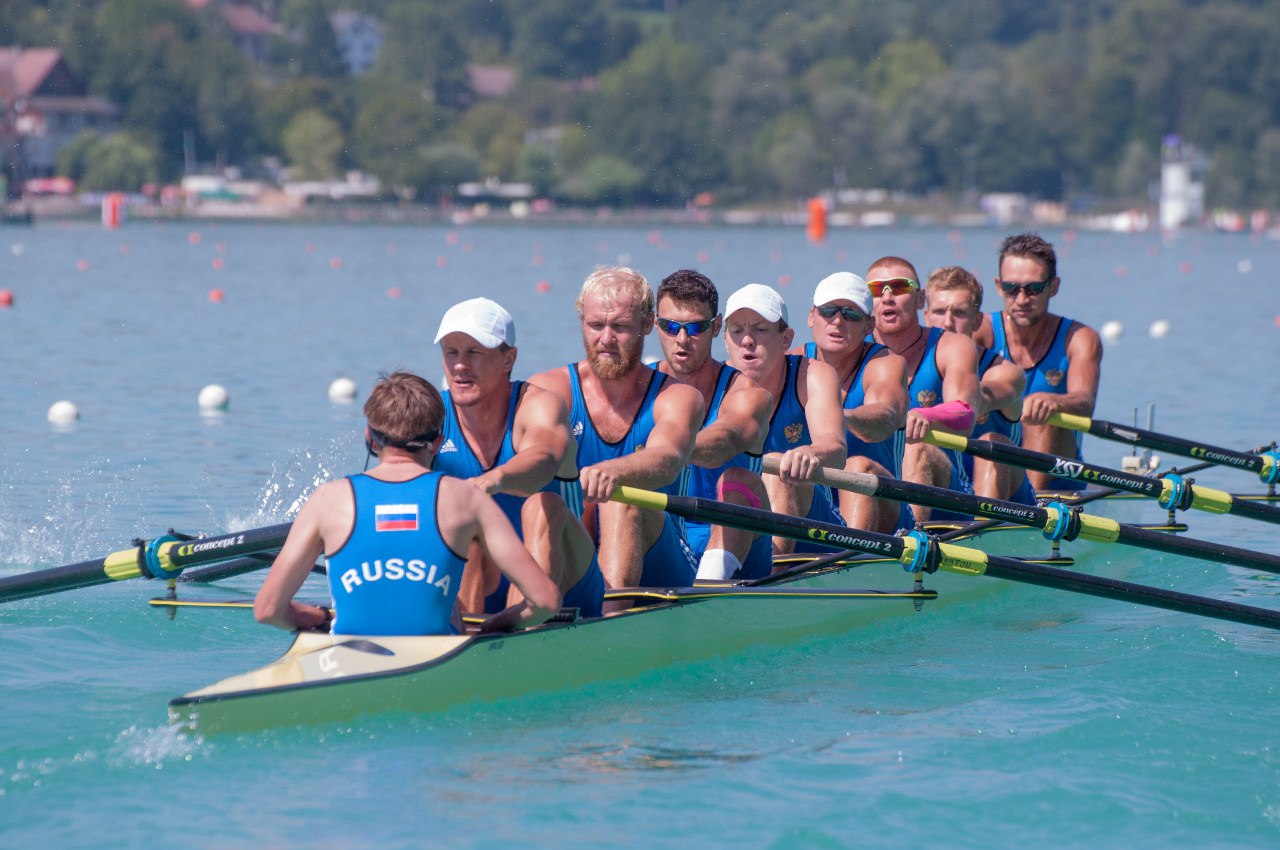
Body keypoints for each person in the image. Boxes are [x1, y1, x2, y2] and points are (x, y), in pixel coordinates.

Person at [254, 371, 560, 636]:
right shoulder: (467, 499)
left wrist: (316, 617)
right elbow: (545, 601)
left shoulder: (328, 499)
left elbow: (267, 609)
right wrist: (496, 625)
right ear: (438, 443)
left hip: (348, 656)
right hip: (438, 659)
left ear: (371, 440)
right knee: (449, 606)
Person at [529, 266, 704, 599]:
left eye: (620, 327)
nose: (605, 339)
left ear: (647, 325)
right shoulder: (549, 389)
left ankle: (611, 623)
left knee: (619, 498)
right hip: (577, 545)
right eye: (596, 325)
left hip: (665, 561)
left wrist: (608, 472)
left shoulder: (679, 397)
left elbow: (667, 460)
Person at [432, 298, 604, 619]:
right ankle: (464, 641)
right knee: (462, 522)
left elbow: (543, 459)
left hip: (564, 579)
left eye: (474, 352)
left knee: (543, 505)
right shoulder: (432, 414)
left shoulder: (539, 406)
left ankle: (521, 629)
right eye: (451, 352)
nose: (459, 365)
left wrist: (493, 480)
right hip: (478, 580)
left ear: (509, 358)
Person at [653, 269, 773, 580]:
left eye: (695, 327)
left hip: (742, 544)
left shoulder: (748, 394)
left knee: (737, 480)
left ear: (716, 326)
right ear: (656, 325)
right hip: (668, 540)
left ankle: (709, 588)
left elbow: (726, 440)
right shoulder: (640, 388)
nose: (682, 340)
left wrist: (658, 452)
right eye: (670, 327)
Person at [722, 282, 847, 557]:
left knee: (778, 471)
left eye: (761, 329)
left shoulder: (812, 375)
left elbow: (836, 449)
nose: (747, 340)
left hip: (814, 527)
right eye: (737, 330)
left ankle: (772, 573)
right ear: (725, 341)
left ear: (786, 339)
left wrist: (810, 452)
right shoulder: (714, 383)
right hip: (743, 516)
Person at [973, 233, 1104, 492]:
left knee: (1045, 412)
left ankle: (1031, 506)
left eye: (1033, 289)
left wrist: (1053, 401)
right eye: (1012, 289)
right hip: (990, 467)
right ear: (999, 286)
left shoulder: (1078, 339)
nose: (1021, 300)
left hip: (1057, 477)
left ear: (1053, 286)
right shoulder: (980, 333)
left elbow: (1085, 403)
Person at [791, 272, 911, 533]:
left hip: (884, 510)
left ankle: (849, 560)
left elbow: (885, 417)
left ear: (869, 326)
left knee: (857, 467)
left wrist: (833, 417)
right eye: (828, 311)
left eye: (850, 314)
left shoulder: (885, 364)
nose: (837, 321)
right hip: (817, 504)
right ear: (812, 316)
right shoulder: (791, 363)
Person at [867, 255, 981, 523]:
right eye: (875, 289)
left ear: (920, 300)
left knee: (918, 449)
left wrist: (925, 416)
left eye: (899, 287)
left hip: (946, 496)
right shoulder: (850, 351)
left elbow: (965, 414)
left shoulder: (952, 346)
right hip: (876, 486)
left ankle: (912, 540)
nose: (887, 297)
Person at [923, 266, 1035, 505]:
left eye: (960, 313)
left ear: (977, 321)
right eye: (939, 311)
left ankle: (984, 529)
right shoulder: (906, 366)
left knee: (991, 442)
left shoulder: (1006, 372)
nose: (948, 323)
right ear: (925, 317)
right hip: (943, 483)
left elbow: (977, 400)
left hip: (1009, 496)